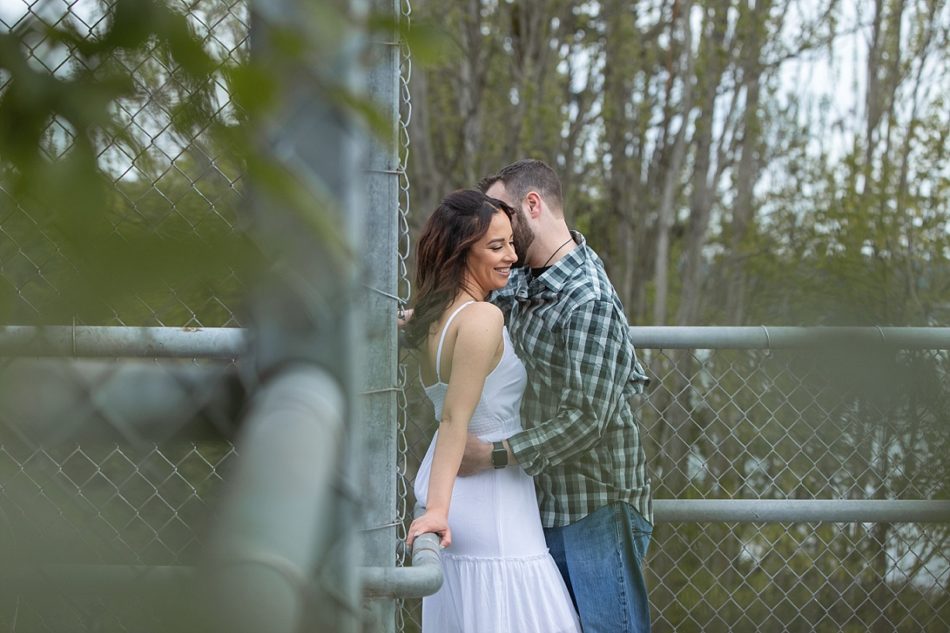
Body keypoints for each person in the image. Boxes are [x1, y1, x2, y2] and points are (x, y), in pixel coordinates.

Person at [459, 159, 654, 633]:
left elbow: (588, 420)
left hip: (596, 506)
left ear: (533, 204)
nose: (497, 225)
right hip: (539, 503)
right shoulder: (526, 277)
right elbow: (473, 308)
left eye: (504, 211)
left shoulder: (588, 299)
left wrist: (495, 456)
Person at [404, 189, 581, 633]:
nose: (512, 256)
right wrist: (438, 511)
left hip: (464, 493)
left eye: (511, 243)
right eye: (496, 246)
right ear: (462, 252)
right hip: (489, 500)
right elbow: (454, 420)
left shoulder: (430, 318)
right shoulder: (482, 319)